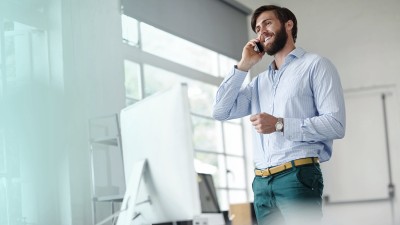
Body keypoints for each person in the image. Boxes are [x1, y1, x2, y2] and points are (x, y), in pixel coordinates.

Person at [212, 5, 346, 225]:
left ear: (288, 24)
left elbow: (335, 124)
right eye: (257, 28)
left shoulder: (316, 66)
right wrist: (244, 65)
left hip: (297, 176)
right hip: (262, 183)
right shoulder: (258, 82)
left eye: (267, 23)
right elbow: (220, 111)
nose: (261, 31)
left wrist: (280, 124)